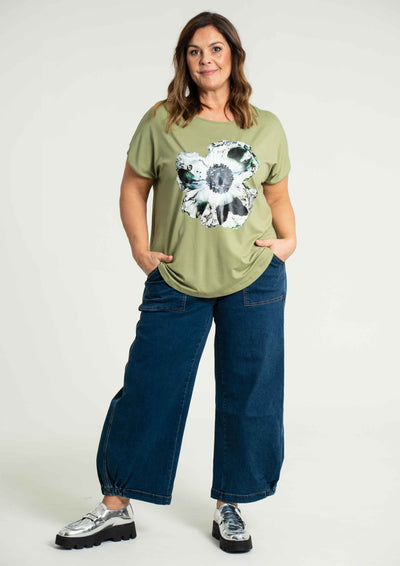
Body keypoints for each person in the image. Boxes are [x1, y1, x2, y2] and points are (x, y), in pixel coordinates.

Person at [55, 11, 296, 554]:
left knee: (249, 391)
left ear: (234, 55)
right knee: (149, 387)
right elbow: (132, 187)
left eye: (216, 48)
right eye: (194, 51)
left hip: (254, 279)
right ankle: (115, 506)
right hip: (177, 278)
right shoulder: (163, 120)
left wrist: (289, 241)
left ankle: (231, 503)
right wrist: (140, 249)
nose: (206, 59)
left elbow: (278, 195)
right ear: (184, 61)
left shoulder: (266, 126)